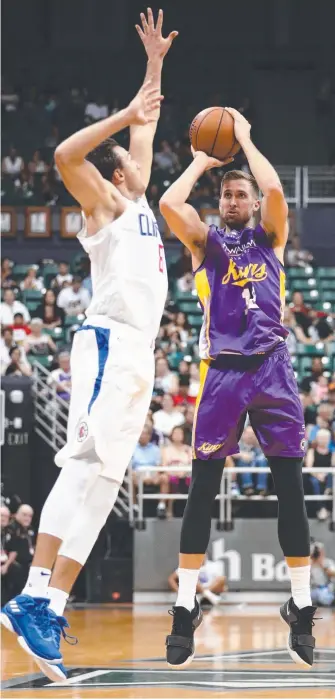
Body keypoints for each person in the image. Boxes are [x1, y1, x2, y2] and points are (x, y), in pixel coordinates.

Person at [1, 8, 177, 683]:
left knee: (106, 483)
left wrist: (154, 67)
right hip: (105, 343)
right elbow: (64, 156)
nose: (137, 156)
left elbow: (149, 118)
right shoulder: (104, 204)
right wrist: (123, 110)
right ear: (115, 175)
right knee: (81, 465)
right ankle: (30, 588)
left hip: (138, 357)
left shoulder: (140, 206)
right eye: (126, 158)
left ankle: (48, 602)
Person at [160, 107, 317, 668]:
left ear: (251, 204)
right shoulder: (205, 243)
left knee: (290, 488)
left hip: (273, 367)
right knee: (203, 489)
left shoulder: (272, 237)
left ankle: (300, 605)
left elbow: (274, 185)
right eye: (225, 195)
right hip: (223, 371)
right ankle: (184, 607)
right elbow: (168, 206)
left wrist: (245, 138)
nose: (231, 200)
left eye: (238, 195)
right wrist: (202, 159)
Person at [158, 426, 192, 519]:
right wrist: (173, 473)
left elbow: (191, 464)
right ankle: (162, 506)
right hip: (171, 475)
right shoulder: (165, 450)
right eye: (175, 433)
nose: (177, 435)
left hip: (186, 475)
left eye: (179, 433)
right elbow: (164, 465)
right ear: (171, 435)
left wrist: (183, 473)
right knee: (165, 478)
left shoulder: (189, 449)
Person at [310, 541, 335, 607]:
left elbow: (333, 574)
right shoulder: (310, 563)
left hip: (326, 589)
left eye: (319, 551)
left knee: (325, 598)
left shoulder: (328, 562)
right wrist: (312, 563)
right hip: (313, 589)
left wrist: (322, 565)